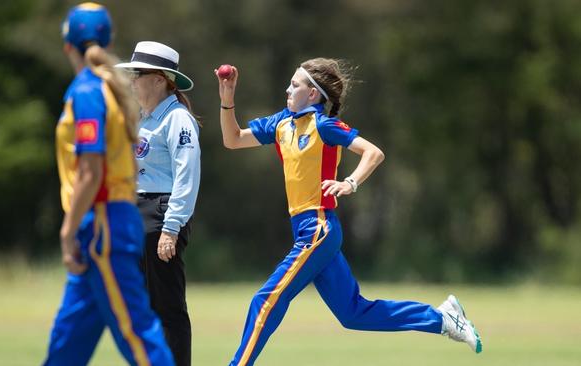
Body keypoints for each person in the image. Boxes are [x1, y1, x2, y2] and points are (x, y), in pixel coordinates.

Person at [215, 58, 483, 365]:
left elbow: (373, 153)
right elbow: (232, 139)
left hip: (318, 228)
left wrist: (350, 182)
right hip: (307, 229)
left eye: (295, 84)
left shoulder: (324, 125)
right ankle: (442, 319)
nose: (287, 89)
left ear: (313, 94)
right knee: (353, 313)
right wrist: (227, 102)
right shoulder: (281, 124)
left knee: (266, 301)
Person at [43, 4, 174, 365]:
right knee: (67, 341)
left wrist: (68, 230)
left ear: (68, 45)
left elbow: (90, 170)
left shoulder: (87, 91)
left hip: (101, 223)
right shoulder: (109, 89)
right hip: (107, 223)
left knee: (139, 335)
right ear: (109, 39)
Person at [115, 41, 201, 366]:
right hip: (136, 212)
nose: (133, 81)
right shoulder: (142, 118)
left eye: (139, 74)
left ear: (160, 79)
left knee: (168, 308)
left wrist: (172, 226)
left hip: (161, 213)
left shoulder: (177, 119)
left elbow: (187, 175)